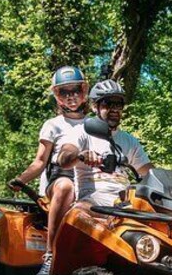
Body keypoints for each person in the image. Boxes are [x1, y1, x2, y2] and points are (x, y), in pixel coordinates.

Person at [7, 65, 89, 275]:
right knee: (65, 187)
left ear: (84, 91)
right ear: (57, 95)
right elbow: (40, 161)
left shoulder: (96, 124)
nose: (71, 96)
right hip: (61, 178)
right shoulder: (53, 125)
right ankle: (51, 255)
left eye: (75, 90)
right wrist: (21, 179)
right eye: (64, 91)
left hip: (91, 179)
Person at [57, 79, 153, 207]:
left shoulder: (129, 140)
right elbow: (63, 159)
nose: (114, 109)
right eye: (108, 103)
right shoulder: (82, 131)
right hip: (92, 199)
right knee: (80, 212)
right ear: (94, 107)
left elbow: (150, 173)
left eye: (119, 104)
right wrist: (80, 155)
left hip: (125, 201)